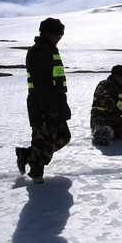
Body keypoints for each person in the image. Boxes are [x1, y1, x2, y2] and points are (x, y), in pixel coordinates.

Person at [16, 18, 71, 184]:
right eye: (58, 33)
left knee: (63, 136)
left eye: (62, 34)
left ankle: (28, 154)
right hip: (43, 106)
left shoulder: (49, 49)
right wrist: (50, 106)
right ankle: (38, 184)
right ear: (47, 32)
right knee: (43, 141)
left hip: (55, 104)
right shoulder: (39, 50)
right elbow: (41, 82)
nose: (60, 37)